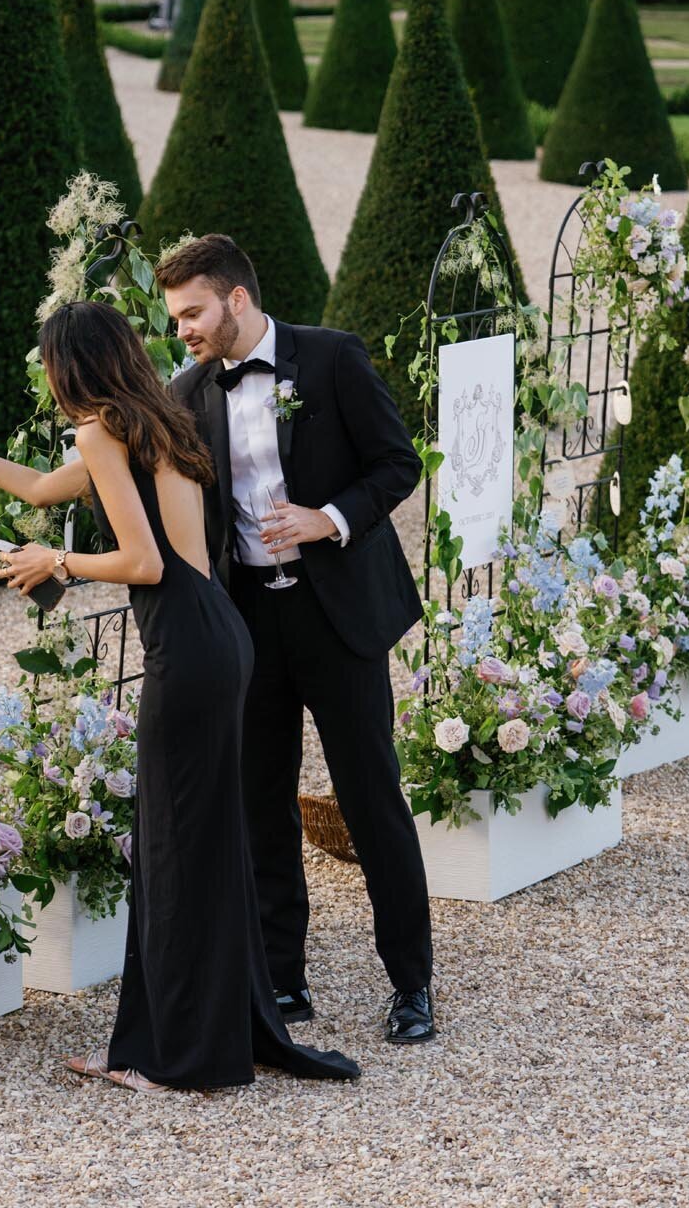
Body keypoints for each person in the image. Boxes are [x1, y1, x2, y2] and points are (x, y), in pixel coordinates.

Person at [0, 300, 359, 1094]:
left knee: (172, 852)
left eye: (48, 361)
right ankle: (212, 1034)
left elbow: (144, 564)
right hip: (222, 637)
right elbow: (43, 489)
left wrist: (59, 564)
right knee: (202, 847)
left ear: (68, 364)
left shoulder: (101, 429)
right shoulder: (155, 419)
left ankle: (168, 1057)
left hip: (186, 644)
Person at [155, 233, 436, 1045]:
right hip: (249, 624)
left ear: (236, 299)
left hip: (337, 614)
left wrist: (329, 519)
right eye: (176, 319)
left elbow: (397, 463)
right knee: (259, 803)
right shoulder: (185, 391)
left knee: (368, 795)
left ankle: (411, 983)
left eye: (193, 313)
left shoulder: (333, 359)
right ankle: (282, 982)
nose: (184, 331)